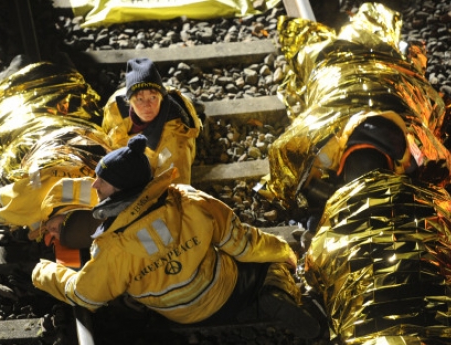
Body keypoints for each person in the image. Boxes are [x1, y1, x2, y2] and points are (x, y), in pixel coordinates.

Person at [31, 134, 322, 340]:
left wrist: (43, 272)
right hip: (223, 286)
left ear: (121, 191)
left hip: (180, 312)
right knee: (268, 260)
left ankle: (268, 294)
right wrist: (282, 249)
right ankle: (276, 292)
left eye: (102, 181)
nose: (94, 184)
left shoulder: (113, 246)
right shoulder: (187, 200)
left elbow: (85, 294)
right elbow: (241, 241)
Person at [102, 57, 202, 185]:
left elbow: (176, 188)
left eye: (153, 97)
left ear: (161, 97)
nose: (147, 105)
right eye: (139, 99)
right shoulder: (114, 107)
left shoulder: (177, 136)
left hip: (164, 157)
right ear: (129, 101)